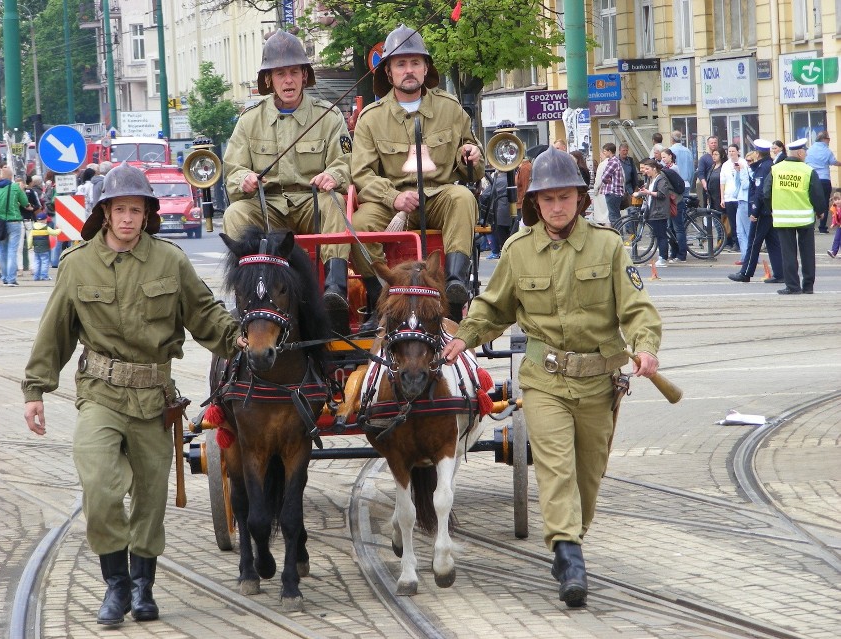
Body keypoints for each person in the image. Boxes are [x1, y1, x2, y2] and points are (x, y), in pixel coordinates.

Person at [21, 162, 247, 626]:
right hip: (100, 395)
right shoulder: (77, 263)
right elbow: (54, 333)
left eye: (136, 210)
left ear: (148, 214)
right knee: (99, 487)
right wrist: (35, 390)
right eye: (119, 209)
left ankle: (143, 586)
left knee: (150, 498)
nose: (127, 218)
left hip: (153, 399)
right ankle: (115, 586)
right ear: (105, 213)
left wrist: (241, 338)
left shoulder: (170, 260)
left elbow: (204, 314)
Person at [441, 147, 662, 609]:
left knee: (587, 477)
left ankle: (570, 541)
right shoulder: (518, 252)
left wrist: (645, 348)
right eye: (548, 200)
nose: (558, 207)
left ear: (580, 199)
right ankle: (569, 554)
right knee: (555, 468)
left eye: (566, 197)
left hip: (599, 384)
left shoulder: (609, 245)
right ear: (534, 205)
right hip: (543, 381)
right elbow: (493, 307)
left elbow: (637, 308)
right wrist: (465, 335)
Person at [350, 24, 484, 323]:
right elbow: (362, 175)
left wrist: (472, 156)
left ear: (425, 69)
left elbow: (472, 164)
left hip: (439, 197)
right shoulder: (371, 119)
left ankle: (454, 286)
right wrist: (394, 197)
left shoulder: (451, 109)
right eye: (400, 64)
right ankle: (381, 299)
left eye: (415, 63)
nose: (408, 70)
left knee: (462, 198)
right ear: (389, 72)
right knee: (358, 224)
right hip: (391, 205)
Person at [222, 29, 353, 330]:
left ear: (305, 76)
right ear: (269, 79)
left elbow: (346, 162)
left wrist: (332, 175)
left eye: (295, 72)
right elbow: (233, 169)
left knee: (336, 204)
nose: (289, 80)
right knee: (234, 213)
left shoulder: (329, 117)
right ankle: (244, 291)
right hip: (268, 207)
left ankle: (335, 290)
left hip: (313, 204)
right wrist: (244, 179)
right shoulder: (249, 121)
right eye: (280, 73)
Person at [764, 138, 826, 295]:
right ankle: (808, 286)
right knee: (808, 254)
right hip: (804, 219)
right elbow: (817, 194)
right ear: (799, 153)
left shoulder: (776, 169)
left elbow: (765, 193)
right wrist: (820, 211)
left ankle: (792, 286)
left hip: (783, 219)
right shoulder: (808, 171)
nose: (806, 153)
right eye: (804, 151)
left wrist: (771, 209)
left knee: (788, 254)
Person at [727, 140, 784, 284]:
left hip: (762, 211)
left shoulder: (763, 168)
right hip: (769, 210)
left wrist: (755, 211)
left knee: (753, 242)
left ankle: (746, 273)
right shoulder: (769, 165)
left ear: (758, 153)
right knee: (773, 242)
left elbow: (760, 193)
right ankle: (779, 273)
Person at [0, 167, 30, 286]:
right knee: (12, 250)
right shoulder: (15, 187)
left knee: (2, 251)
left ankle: (5, 278)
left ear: (1, 176)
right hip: (14, 221)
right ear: (11, 177)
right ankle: (11, 279)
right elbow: (24, 202)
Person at [637, 158, 673, 267]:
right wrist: (640, 193)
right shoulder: (651, 179)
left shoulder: (661, 179)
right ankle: (663, 256)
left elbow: (662, 194)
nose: (645, 171)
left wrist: (648, 192)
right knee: (659, 235)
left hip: (659, 211)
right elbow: (648, 191)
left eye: (647, 169)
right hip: (653, 210)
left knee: (661, 236)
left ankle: (663, 258)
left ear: (654, 169)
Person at [804, 130, 840, 233]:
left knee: (811, 201)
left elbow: (806, 162)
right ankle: (822, 227)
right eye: (828, 139)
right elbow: (833, 162)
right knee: (824, 202)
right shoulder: (827, 151)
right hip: (824, 179)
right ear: (824, 139)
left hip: (811, 178)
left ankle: (811, 225)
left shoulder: (809, 149)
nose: (829, 141)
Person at [720, 144, 748, 256]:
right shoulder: (725, 165)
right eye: (729, 151)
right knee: (732, 222)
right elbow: (722, 182)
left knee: (742, 222)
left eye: (733, 151)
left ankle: (744, 245)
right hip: (729, 197)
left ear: (738, 151)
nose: (731, 153)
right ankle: (736, 243)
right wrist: (722, 197)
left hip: (740, 197)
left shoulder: (743, 163)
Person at [597, 143, 624, 227]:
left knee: (613, 216)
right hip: (616, 192)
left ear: (609, 151)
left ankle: (617, 235)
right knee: (616, 215)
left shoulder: (612, 161)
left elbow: (604, 176)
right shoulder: (616, 161)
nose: (603, 153)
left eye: (605, 151)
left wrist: (606, 179)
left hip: (612, 191)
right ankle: (619, 235)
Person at [29, 210, 60, 281]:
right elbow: (54, 233)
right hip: (45, 249)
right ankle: (44, 276)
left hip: (36, 249)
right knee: (45, 262)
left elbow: (30, 238)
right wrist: (60, 229)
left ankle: (36, 276)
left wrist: (30, 246)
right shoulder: (46, 228)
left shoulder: (33, 228)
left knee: (37, 262)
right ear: (45, 220)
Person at [697, 136, 719, 207]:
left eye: (715, 142)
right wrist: (705, 185)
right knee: (707, 208)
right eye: (711, 143)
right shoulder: (704, 158)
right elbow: (701, 173)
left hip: (719, 186)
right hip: (708, 187)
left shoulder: (722, 157)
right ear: (708, 144)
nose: (713, 144)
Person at [618, 143, 640, 209]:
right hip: (619, 187)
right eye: (623, 150)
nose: (625, 152)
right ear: (619, 151)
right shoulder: (615, 160)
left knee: (632, 206)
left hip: (629, 187)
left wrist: (636, 186)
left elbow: (634, 174)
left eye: (626, 150)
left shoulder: (630, 160)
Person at [827, 190, 841, 258]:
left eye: (839, 199)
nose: (837, 201)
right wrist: (833, 223)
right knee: (836, 239)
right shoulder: (835, 208)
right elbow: (834, 217)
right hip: (839, 226)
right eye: (836, 200)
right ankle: (833, 252)